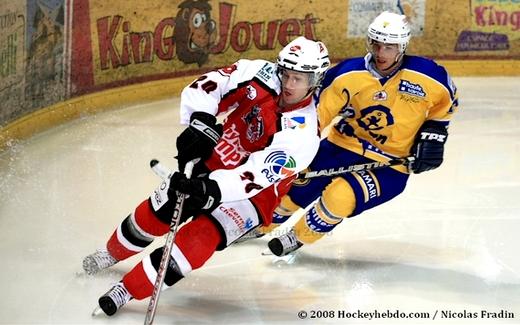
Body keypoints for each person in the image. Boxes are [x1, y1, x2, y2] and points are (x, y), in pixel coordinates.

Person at [82, 36, 330, 316]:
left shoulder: (304, 133)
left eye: (299, 78)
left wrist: (212, 188)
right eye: (286, 73)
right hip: (214, 160)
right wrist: (199, 120)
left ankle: (128, 288)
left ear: (315, 80)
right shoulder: (258, 72)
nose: (288, 84)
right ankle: (112, 252)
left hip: (250, 197)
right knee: (158, 212)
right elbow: (210, 85)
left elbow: (255, 175)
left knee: (199, 240)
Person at [261, 11, 459, 256]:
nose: (380, 53)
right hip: (341, 146)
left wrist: (435, 132)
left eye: (389, 47)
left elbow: (447, 103)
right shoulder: (348, 73)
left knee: (340, 197)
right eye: (376, 44)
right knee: (296, 186)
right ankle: (262, 223)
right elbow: (318, 114)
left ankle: (299, 236)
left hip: (390, 164)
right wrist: (296, 146)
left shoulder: (430, 76)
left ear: (402, 46)